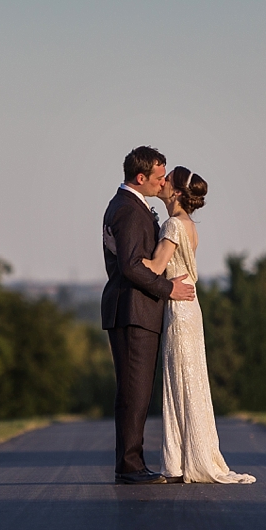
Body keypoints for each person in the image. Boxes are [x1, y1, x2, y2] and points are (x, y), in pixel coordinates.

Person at [141, 166, 255, 484]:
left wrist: (123, 255)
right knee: (190, 380)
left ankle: (182, 462)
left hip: (179, 310)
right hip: (190, 307)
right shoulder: (188, 225)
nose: (162, 182)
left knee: (180, 380)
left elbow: (155, 267)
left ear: (177, 192)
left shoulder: (173, 225)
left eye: (167, 180)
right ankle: (187, 457)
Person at [101, 147, 196, 485]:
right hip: (133, 310)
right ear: (140, 178)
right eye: (158, 177)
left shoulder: (130, 206)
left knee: (136, 392)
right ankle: (130, 466)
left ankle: (131, 463)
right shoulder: (128, 209)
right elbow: (130, 266)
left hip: (137, 310)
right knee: (134, 392)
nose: (163, 182)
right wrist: (168, 289)